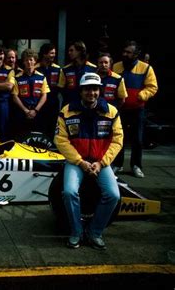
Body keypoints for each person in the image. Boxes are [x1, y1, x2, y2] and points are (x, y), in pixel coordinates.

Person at [54, 72, 122, 250]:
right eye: (87, 89)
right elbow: (60, 140)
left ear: (99, 91)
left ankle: (95, 232)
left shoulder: (111, 112)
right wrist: (80, 162)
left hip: (101, 162)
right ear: (81, 91)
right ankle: (76, 232)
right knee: (69, 192)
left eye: (94, 89)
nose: (91, 93)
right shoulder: (66, 111)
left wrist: (101, 163)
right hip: (77, 162)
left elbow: (117, 141)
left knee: (114, 195)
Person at [112, 41, 158, 178]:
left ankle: (136, 165)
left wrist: (141, 96)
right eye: (124, 51)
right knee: (119, 137)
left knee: (137, 139)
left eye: (128, 52)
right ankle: (117, 164)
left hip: (138, 109)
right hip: (120, 109)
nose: (125, 54)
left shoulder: (146, 68)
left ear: (136, 54)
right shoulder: (116, 66)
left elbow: (152, 87)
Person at [11, 48, 49, 141]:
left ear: (35, 61)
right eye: (26, 60)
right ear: (23, 62)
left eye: (31, 59)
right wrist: (25, 111)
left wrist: (35, 111)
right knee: (21, 137)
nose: (29, 62)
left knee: (37, 137)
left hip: (37, 112)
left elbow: (44, 95)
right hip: (22, 113)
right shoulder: (17, 78)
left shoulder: (41, 77)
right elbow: (14, 96)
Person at [36, 43, 65, 140]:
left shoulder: (58, 69)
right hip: (39, 103)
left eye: (54, 53)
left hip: (53, 103)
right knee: (40, 127)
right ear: (44, 54)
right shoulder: (36, 68)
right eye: (51, 53)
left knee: (52, 126)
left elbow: (61, 86)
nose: (54, 55)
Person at [59, 41, 97, 106]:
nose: (69, 53)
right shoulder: (65, 69)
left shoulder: (93, 68)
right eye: (69, 51)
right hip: (70, 104)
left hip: (87, 104)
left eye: (71, 50)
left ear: (79, 51)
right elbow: (61, 87)